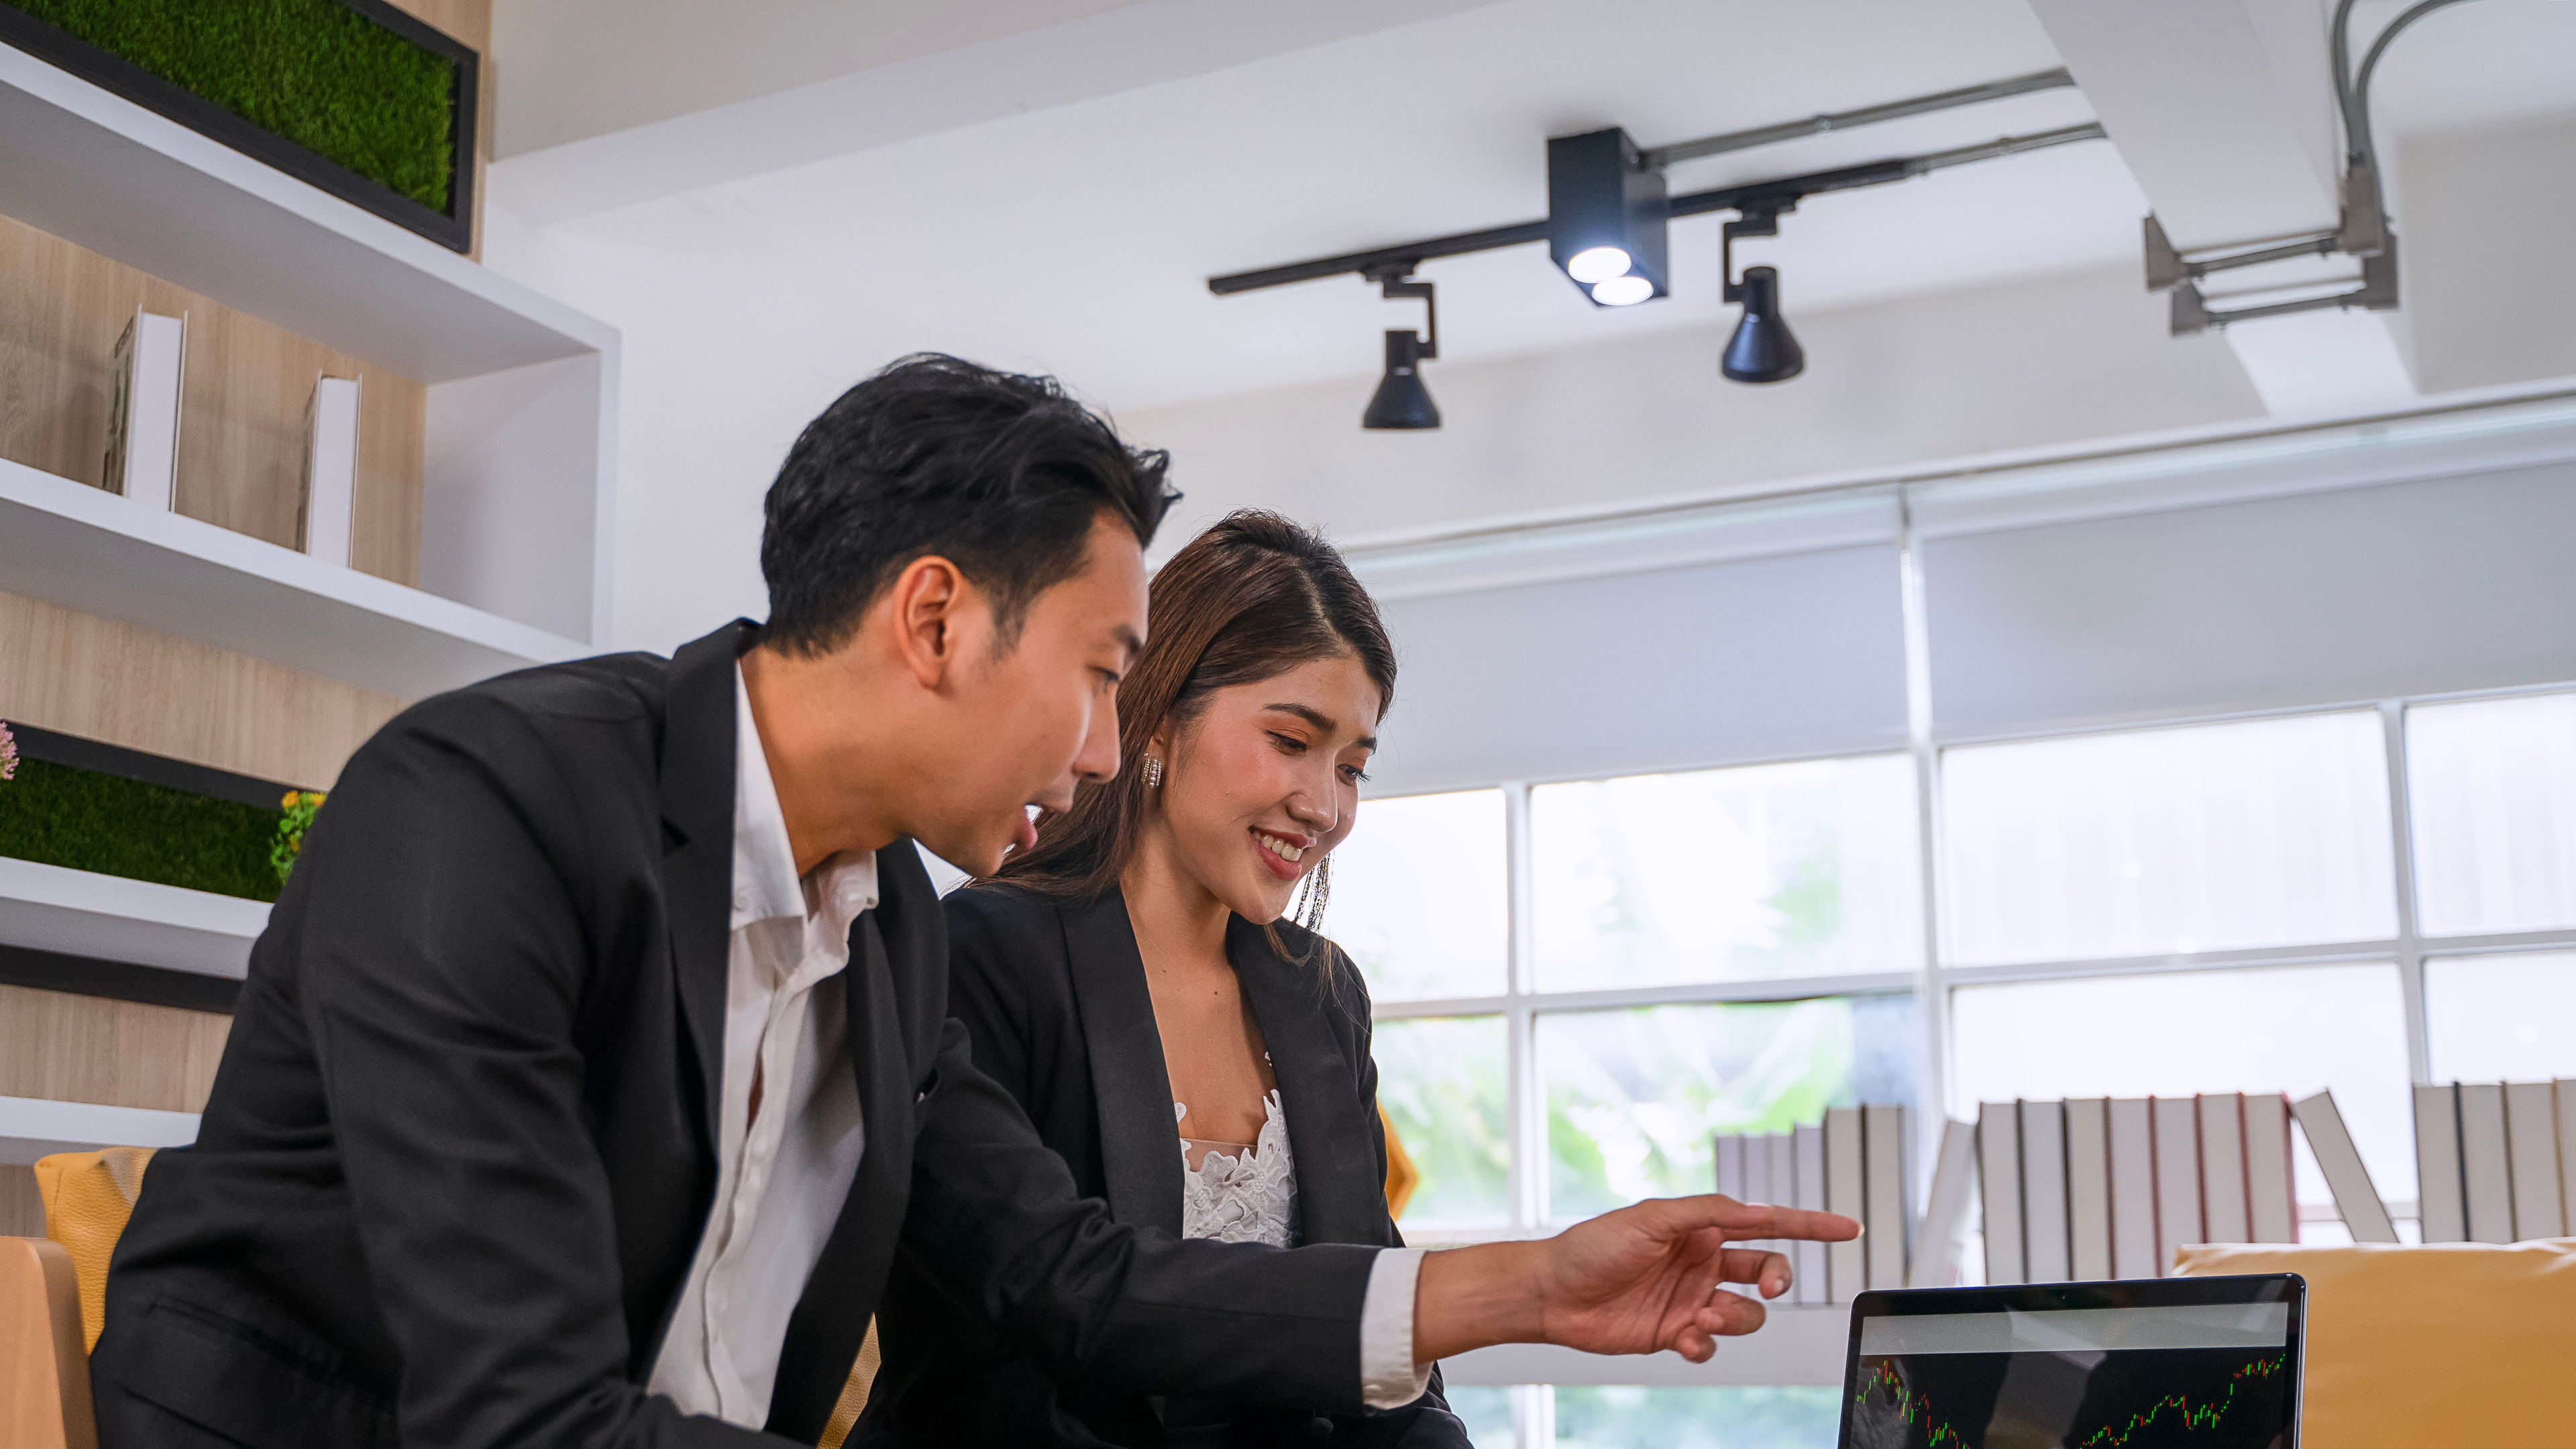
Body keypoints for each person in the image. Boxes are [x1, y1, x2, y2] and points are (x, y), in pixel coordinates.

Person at [91, 356, 1856, 1449]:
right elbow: (520, 1419)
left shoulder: (898, 929)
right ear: (935, 621)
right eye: (1102, 674)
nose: (1105, 747)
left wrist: (1526, 1283)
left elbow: (1078, 1286)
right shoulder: (486, 808)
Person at [863, 511, 1467, 1447]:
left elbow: (1381, 1335)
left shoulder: (1323, 993)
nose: (1324, 805)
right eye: (1289, 739)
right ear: (1159, 713)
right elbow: (1022, 1341)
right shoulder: (983, 953)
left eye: (1352, 767)